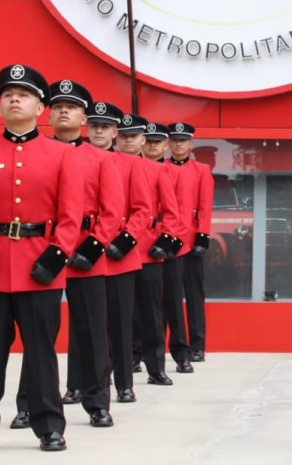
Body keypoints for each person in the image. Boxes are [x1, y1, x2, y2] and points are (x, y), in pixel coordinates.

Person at [0, 64, 84, 453]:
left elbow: (70, 216)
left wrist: (55, 258)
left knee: (41, 352)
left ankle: (49, 427)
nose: (14, 98)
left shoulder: (62, 155)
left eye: (24, 94)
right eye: (8, 94)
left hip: (39, 268)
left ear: (40, 107)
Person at [11, 80, 122, 431]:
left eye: (71, 107)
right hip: (42, 254)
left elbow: (111, 211)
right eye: (57, 105)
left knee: (91, 332)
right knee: (38, 332)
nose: (63, 111)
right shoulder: (32, 153)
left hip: (85, 255)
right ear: (47, 112)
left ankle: (97, 403)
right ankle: (30, 404)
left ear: (84, 117)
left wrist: (92, 249)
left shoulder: (101, 159)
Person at [87, 102, 152, 403]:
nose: (99, 131)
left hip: (118, 254)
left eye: (105, 126)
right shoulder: (75, 160)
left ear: (115, 131)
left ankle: (124, 383)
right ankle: (81, 383)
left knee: (121, 322)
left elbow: (143, 210)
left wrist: (124, 242)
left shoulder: (132, 164)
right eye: (94, 125)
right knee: (86, 326)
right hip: (85, 255)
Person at [123, 116, 180, 386]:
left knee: (152, 312)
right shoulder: (105, 165)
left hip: (148, 250)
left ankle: (156, 367)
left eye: (134, 135)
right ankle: (123, 363)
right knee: (119, 314)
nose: (129, 140)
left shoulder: (158, 171)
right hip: (115, 251)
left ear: (143, 140)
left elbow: (171, 212)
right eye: (123, 135)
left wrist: (164, 242)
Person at [169, 122, 214, 364]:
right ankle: (176, 346)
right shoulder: (160, 168)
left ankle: (197, 345)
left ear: (190, 143)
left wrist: (202, 237)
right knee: (170, 297)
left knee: (194, 296)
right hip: (168, 242)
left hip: (191, 240)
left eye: (182, 140)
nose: (178, 144)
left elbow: (205, 207)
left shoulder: (201, 170)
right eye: (174, 140)